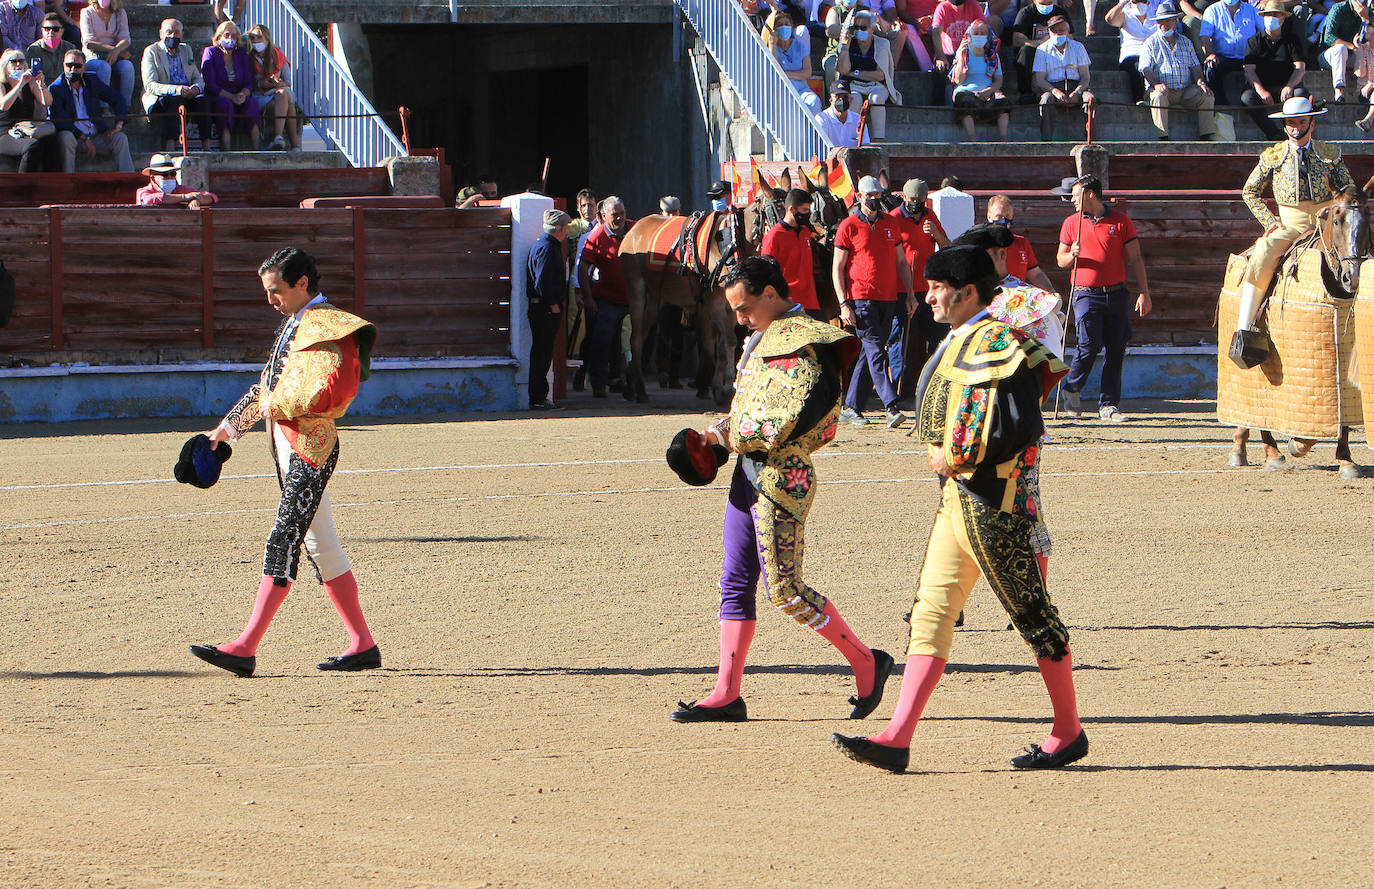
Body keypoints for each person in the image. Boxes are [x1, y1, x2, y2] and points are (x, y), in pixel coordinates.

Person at [831, 244, 1084, 775]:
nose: (929, 298)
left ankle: (1068, 731)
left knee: (1032, 616)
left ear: (969, 291)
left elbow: (1020, 426)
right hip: (959, 500)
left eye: (938, 288)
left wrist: (959, 454)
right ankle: (897, 737)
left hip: (997, 501)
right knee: (932, 612)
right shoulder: (965, 338)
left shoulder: (1001, 343)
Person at [670, 255, 894, 724]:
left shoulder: (807, 341)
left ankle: (867, 661)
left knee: (786, 591)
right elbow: (750, 408)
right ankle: (726, 693)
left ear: (771, 295)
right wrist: (717, 433)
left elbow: (793, 417)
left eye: (744, 306)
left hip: (783, 476)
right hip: (748, 473)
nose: (739, 317)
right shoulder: (764, 337)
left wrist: (734, 437)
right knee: (734, 583)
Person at [190, 248, 380, 678]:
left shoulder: (329, 325)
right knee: (321, 546)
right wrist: (227, 430)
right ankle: (363, 644)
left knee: (284, 537)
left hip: (311, 445)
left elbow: (335, 390)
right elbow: (267, 388)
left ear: (301, 284)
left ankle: (244, 646)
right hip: (286, 442)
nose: (270, 299)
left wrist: (279, 407)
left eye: (276, 290)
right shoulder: (295, 323)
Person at [1235, 95, 1352, 337]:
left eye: (1301, 122)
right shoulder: (1274, 156)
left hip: (1327, 223)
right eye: (1291, 123)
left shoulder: (1329, 153)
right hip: (1291, 225)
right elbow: (1250, 191)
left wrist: (1334, 209)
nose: (1296, 128)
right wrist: (1270, 221)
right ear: (1285, 125)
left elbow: (1349, 190)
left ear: (1312, 123)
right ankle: (1244, 328)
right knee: (1264, 251)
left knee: (1359, 252)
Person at [1055, 175, 1151, 422]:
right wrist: (1072, 254)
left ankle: (1108, 405)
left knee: (1116, 349)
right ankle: (1072, 387)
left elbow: (1135, 258)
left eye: (1076, 196)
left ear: (1090, 194)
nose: (1072, 200)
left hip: (1116, 293)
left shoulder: (1120, 222)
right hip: (1085, 293)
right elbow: (1061, 260)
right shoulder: (1070, 223)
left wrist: (1144, 291)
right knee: (1089, 345)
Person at [834, 175, 914, 428]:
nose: (874, 199)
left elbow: (902, 262)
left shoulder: (890, 223)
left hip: (888, 297)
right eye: (869, 195)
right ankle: (891, 404)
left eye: (877, 195)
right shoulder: (847, 226)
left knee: (870, 354)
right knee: (876, 351)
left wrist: (910, 294)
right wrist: (843, 303)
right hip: (861, 297)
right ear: (859, 197)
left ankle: (851, 406)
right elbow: (838, 267)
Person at [888, 177, 949, 395]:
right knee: (901, 339)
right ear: (904, 198)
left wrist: (936, 234)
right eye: (912, 199)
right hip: (902, 289)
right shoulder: (893, 218)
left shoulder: (930, 216)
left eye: (920, 200)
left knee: (937, 336)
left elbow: (946, 246)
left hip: (928, 289)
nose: (915, 203)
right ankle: (899, 389)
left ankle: (933, 387)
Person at [578, 196, 633, 399]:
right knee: (602, 342)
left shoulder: (635, 230)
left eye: (622, 214)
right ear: (603, 216)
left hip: (634, 299)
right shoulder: (596, 237)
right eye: (614, 215)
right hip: (607, 300)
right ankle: (599, 384)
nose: (619, 218)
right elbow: (582, 270)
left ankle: (627, 381)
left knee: (635, 341)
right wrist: (588, 298)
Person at [1141, 0, 1218, 140]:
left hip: (1185, 89)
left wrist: (1201, 83)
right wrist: (1156, 84)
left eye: (1168, 21)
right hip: (1163, 90)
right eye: (1160, 21)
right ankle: (1163, 137)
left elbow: (1195, 68)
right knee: (1158, 96)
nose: (1163, 25)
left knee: (1207, 96)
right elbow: (1146, 70)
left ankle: (1206, 136)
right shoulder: (1150, 43)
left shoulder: (1186, 42)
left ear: (1175, 22)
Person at [48, 47, 129, 171]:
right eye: (69, 65)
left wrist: (118, 126)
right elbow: (59, 119)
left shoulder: (92, 80)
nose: (73, 69)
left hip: (97, 135)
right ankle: (68, 180)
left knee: (120, 138)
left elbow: (118, 99)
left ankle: (128, 180)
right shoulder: (56, 88)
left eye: (77, 66)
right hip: (75, 138)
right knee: (65, 137)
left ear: (84, 67)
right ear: (63, 66)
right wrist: (83, 137)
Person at [142, 18, 211, 152]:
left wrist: (196, 88)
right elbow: (150, 85)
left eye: (177, 32)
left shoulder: (186, 50)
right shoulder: (151, 51)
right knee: (175, 100)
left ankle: (207, 146)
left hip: (186, 92)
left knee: (203, 100)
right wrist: (175, 89)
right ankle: (171, 146)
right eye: (169, 32)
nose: (173, 36)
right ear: (161, 34)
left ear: (182, 34)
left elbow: (196, 76)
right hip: (164, 95)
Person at [1243, 0, 1309, 139]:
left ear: (1283, 18)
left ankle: (1294, 131)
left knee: (1301, 93)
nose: (1271, 18)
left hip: (1286, 88)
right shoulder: (1254, 41)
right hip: (1264, 89)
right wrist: (1261, 91)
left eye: (1275, 14)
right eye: (1268, 15)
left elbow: (1300, 67)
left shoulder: (1292, 39)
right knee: (1247, 97)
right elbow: (1249, 70)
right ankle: (1274, 133)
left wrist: (1289, 86)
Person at [836, 6, 903, 138]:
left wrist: (855, 73)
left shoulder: (882, 44)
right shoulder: (849, 43)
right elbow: (843, 70)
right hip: (854, 85)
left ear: (872, 28)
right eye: (856, 28)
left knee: (876, 98)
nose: (859, 31)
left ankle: (879, 138)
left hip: (876, 85)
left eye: (863, 28)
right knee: (854, 98)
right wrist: (845, 47)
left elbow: (880, 74)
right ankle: (852, 137)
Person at [526, 209, 570, 411]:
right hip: (545, 309)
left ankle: (538, 396)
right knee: (542, 353)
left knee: (541, 352)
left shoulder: (542, 245)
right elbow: (543, 283)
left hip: (541, 308)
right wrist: (553, 305)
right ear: (560, 229)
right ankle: (537, 397)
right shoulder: (547, 248)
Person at [761, 188, 823, 318]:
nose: (808, 215)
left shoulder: (806, 232)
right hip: (788, 304)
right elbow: (765, 273)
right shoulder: (774, 236)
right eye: (804, 210)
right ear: (791, 210)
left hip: (811, 303)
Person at [1033, 13, 1094, 140]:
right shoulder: (1041, 50)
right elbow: (1040, 79)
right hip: (1052, 86)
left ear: (1067, 31)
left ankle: (1091, 138)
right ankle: (1046, 139)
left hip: (1076, 85)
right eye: (1054, 31)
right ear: (1049, 31)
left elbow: (1085, 77)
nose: (1058, 34)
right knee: (1045, 101)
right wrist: (1055, 92)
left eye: (1061, 31)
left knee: (1090, 99)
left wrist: (1077, 92)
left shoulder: (1078, 47)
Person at [201, 20, 261, 150]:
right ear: (219, 36)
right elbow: (210, 84)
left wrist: (243, 94)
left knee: (252, 103)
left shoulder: (241, 54)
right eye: (227, 34)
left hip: (238, 93)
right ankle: (226, 149)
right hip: (218, 95)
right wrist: (231, 97)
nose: (231, 38)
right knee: (225, 104)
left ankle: (257, 149)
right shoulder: (210, 52)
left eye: (234, 36)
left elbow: (248, 82)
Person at [950, 20, 1010, 140]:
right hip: (966, 91)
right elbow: (958, 80)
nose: (979, 35)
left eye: (983, 33)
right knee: (964, 100)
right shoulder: (963, 53)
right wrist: (961, 58)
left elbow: (998, 81)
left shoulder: (993, 55)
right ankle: (972, 139)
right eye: (976, 33)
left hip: (987, 92)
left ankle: (1004, 139)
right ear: (970, 35)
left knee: (1004, 102)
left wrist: (989, 90)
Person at [986, 194, 1058, 293]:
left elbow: (1036, 274)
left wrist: (1051, 292)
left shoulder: (1021, 243)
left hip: (1016, 300)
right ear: (989, 216)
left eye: (1007, 216)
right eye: (999, 216)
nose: (1004, 220)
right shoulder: (981, 244)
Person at [0, 47, 55, 171]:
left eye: (21, 61)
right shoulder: (2, 85)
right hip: (5, 132)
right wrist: (20, 83)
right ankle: (23, 186)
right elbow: (4, 105)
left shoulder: (30, 83)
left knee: (52, 142)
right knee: (32, 146)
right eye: (13, 61)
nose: (18, 64)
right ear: (5, 66)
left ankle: (51, 184)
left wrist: (41, 85)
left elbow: (47, 102)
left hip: (26, 129)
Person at [1199, 0, 1261, 108]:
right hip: (1222, 57)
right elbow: (1205, 37)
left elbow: (1264, 31)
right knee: (1210, 68)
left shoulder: (1252, 10)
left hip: (1247, 57)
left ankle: (1253, 100)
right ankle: (1220, 104)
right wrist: (1210, 54)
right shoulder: (1212, 11)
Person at [567, 187, 598, 391]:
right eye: (584, 205)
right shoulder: (571, 229)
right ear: (578, 209)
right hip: (576, 281)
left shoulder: (604, 226)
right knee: (573, 321)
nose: (588, 209)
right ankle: (573, 365)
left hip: (600, 282)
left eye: (591, 205)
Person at [246, 24, 296, 151]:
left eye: (259, 37)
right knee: (288, 107)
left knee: (283, 94)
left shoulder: (278, 54)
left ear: (267, 38)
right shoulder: (248, 57)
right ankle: (292, 145)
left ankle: (279, 138)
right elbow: (246, 82)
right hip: (260, 96)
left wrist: (279, 83)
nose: (255, 41)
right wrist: (260, 84)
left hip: (277, 93)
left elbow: (288, 82)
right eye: (252, 38)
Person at [1011, 0, 1069, 104]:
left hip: (1055, 49)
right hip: (1034, 49)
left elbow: (1070, 36)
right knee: (1025, 51)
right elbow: (1017, 39)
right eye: (1042, 3)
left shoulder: (1060, 12)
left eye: (1049, 3)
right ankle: (1026, 93)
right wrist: (1040, 43)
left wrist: (1051, 42)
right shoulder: (1025, 13)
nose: (1046, 6)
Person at [764, 9, 823, 112]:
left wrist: (786, 74)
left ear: (791, 27)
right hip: (780, 91)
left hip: (802, 90)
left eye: (786, 24)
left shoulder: (800, 45)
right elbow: (774, 71)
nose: (783, 27)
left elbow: (807, 73)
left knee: (814, 101)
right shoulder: (771, 48)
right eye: (779, 25)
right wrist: (772, 45)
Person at [79, 0, 132, 109]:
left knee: (128, 67)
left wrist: (116, 51)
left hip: (115, 56)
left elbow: (126, 39)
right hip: (93, 56)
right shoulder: (87, 12)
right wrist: (114, 50)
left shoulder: (120, 13)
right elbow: (89, 42)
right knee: (104, 67)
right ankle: (104, 108)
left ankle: (125, 107)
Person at [1105, 0, 1157, 106]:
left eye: (1142, 1)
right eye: (1135, 1)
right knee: (1138, 65)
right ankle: (1140, 98)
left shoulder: (1154, 16)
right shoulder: (1125, 15)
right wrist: (1122, 4)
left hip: (1151, 54)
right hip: (1131, 55)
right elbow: (1110, 19)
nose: (1139, 4)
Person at [1318, 0, 1370, 103]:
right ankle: (1339, 92)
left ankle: (1364, 93)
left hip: (1352, 57)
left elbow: (1369, 39)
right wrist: (1352, 47)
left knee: (1368, 54)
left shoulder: (1368, 12)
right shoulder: (1339, 9)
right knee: (1341, 48)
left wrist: (1365, 19)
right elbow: (1329, 37)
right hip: (1329, 55)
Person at [931, 0, 987, 95]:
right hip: (948, 54)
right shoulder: (942, 8)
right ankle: (938, 105)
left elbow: (982, 27)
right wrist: (940, 56)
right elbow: (936, 33)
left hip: (969, 52)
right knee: (939, 69)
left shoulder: (973, 5)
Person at [134, 152, 217, 207]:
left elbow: (212, 196)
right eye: (165, 174)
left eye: (173, 174)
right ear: (153, 178)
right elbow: (148, 200)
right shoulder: (143, 192)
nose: (170, 177)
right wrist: (185, 197)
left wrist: (197, 200)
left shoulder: (179, 189)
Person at [814, 78, 870, 147]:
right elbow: (821, 147)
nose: (841, 100)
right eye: (837, 97)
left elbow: (865, 146)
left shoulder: (858, 120)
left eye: (845, 97)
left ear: (851, 99)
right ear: (831, 100)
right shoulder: (822, 119)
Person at [25, 12, 73, 83]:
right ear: (42, 31)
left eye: (55, 29)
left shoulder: (69, 48)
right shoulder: (33, 49)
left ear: (62, 31)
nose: (51, 32)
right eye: (47, 29)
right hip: (41, 88)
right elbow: (32, 79)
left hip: (64, 87)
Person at [1355, 19, 1374, 129]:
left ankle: (1368, 121)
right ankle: (1368, 121)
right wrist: (1360, 50)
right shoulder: (1364, 49)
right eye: (1368, 34)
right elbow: (1360, 73)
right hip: (1365, 91)